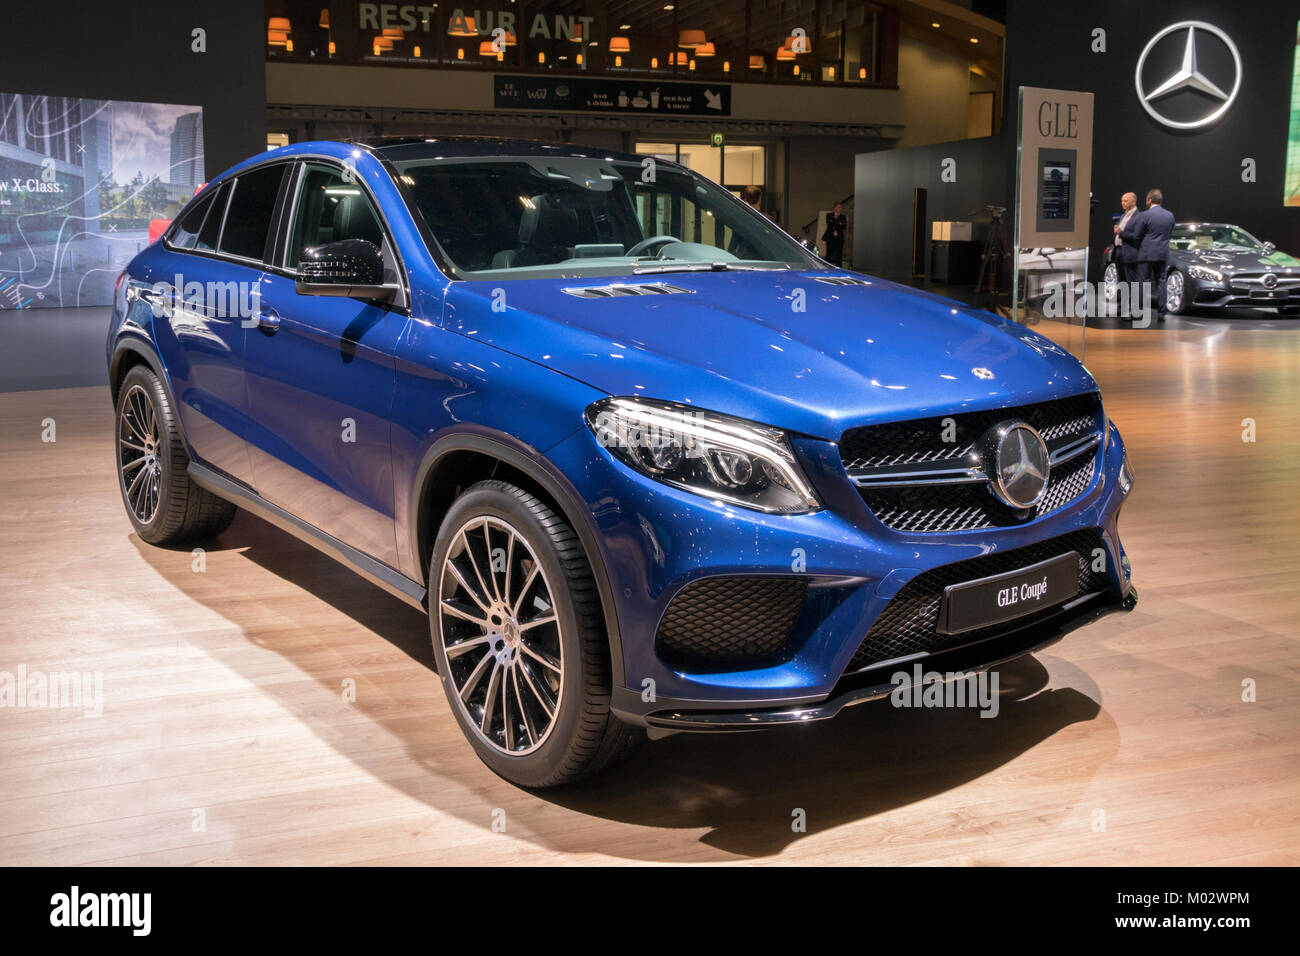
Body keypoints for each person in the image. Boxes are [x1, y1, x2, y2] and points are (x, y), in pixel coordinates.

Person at [1127, 188, 1175, 316]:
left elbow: (1137, 235)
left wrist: (1140, 247)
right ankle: (1162, 312)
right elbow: (1169, 233)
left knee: (1142, 282)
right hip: (1163, 253)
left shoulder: (1144, 215)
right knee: (1161, 281)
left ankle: (1139, 311)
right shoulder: (1169, 215)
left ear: (1149, 200)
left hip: (1146, 254)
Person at [1112, 192, 1139, 286]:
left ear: (1133, 202)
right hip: (1119, 251)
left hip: (1130, 252)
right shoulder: (1123, 216)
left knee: (1131, 281)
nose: (1123, 203)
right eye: (1122, 201)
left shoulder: (1139, 217)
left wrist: (1121, 233)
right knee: (1121, 281)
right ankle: (1123, 300)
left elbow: (1137, 236)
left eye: (1125, 201)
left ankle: (1134, 301)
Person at [822, 202, 847, 266]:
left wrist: (835, 223)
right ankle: (826, 267)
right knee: (829, 254)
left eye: (841, 207)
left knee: (839, 255)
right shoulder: (829, 215)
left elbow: (844, 227)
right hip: (830, 237)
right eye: (838, 207)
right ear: (835, 208)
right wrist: (839, 224)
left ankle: (839, 269)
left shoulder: (843, 217)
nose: (840, 208)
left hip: (839, 238)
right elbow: (829, 225)